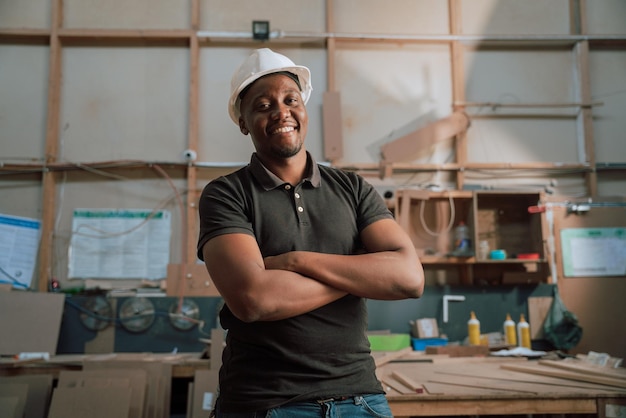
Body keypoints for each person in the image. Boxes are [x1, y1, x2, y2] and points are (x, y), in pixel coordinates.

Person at [197, 48, 425, 417]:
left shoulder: (352, 188)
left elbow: (410, 279)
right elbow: (255, 300)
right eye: (263, 105)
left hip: (360, 398)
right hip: (267, 403)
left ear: (303, 107)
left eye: (290, 99)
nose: (281, 112)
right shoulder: (226, 194)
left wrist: (295, 261)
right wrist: (363, 273)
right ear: (243, 122)